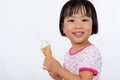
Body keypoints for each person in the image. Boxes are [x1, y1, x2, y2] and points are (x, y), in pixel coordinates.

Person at [43, 0, 102, 80]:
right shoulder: (68, 54)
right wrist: (58, 76)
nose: (78, 26)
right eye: (71, 20)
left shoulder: (91, 52)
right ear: (63, 28)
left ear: (93, 25)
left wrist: (59, 69)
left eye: (84, 20)